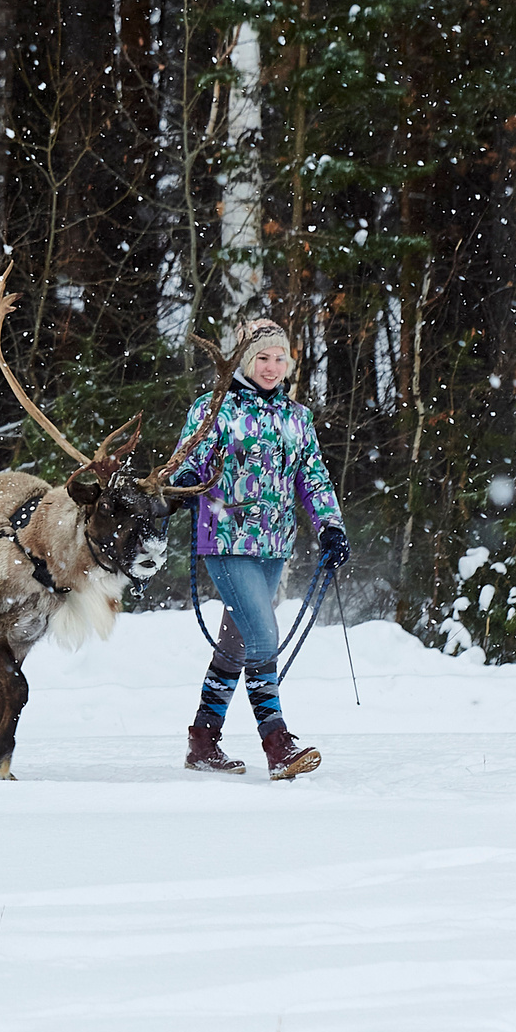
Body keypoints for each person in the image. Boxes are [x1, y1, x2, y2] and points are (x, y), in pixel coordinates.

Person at [171, 319, 349, 780]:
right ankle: (277, 744)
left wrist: (330, 526)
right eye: (262, 358)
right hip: (225, 539)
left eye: (279, 359)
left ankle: (203, 741)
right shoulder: (215, 409)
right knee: (263, 638)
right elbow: (187, 461)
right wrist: (188, 480)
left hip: (274, 545)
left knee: (236, 645)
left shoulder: (297, 417)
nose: (271, 367)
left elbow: (313, 478)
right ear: (245, 360)